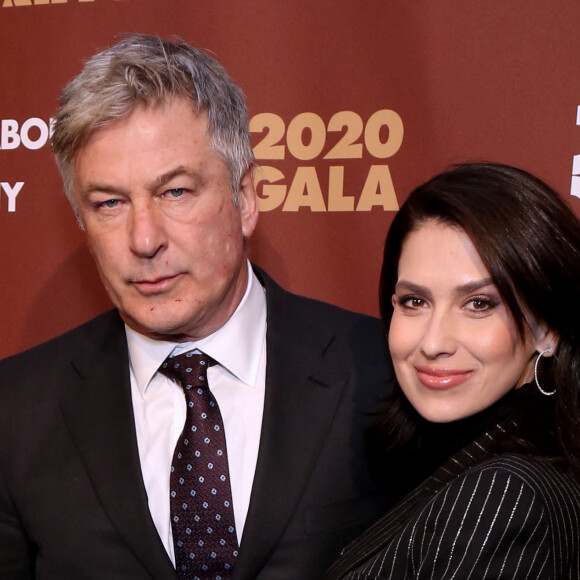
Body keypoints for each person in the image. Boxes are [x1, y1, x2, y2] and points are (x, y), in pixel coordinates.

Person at [0, 34, 398, 579]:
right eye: (110, 203)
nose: (144, 239)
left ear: (246, 196)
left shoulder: (380, 371)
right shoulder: (16, 410)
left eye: (176, 192)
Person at [325, 162, 580, 579]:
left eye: (478, 304)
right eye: (414, 302)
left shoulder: (506, 497)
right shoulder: (460, 462)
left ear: (547, 329)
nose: (433, 342)